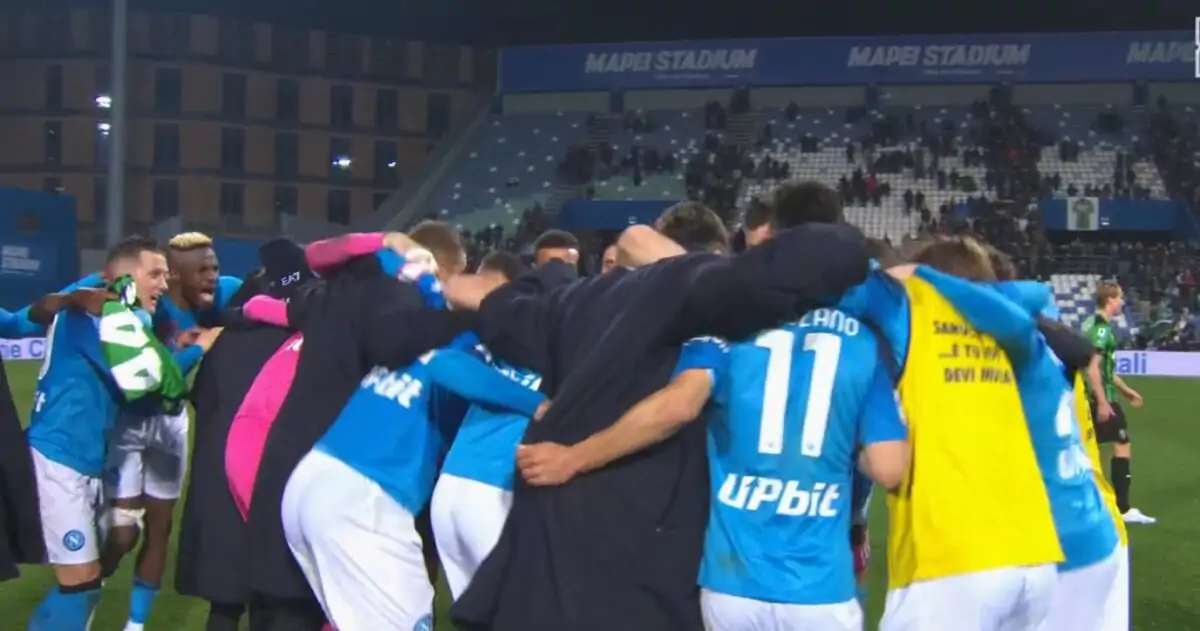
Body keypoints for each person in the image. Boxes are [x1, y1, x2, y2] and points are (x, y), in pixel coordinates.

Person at [446, 193, 871, 631]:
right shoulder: (697, 291)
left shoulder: (579, 298)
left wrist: (546, 275)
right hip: (640, 543)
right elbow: (835, 252)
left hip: (551, 536)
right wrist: (691, 265)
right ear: (714, 253)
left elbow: (490, 306)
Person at [242, 230, 473, 631]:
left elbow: (312, 260)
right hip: (345, 483)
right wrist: (468, 318)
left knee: (281, 611)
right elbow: (390, 342)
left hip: (289, 474)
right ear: (436, 268)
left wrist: (384, 239)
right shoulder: (400, 297)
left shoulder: (339, 290)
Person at [840, 237, 1063, 631]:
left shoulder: (913, 314)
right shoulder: (1001, 330)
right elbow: (1036, 292)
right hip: (1034, 554)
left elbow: (842, 291)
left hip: (953, 559)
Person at [25, 236, 220, 631]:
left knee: (86, 581)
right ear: (126, 276)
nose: (164, 283)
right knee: (80, 583)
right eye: (155, 274)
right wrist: (201, 348)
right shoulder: (96, 319)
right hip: (60, 458)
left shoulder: (113, 317)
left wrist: (173, 345)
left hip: (82, 459)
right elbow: (151, 382)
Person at [919, 265, 1123, 631]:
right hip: (1088, 524)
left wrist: (921, 279)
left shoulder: (1008, 357)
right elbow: (1040, 298)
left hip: (1050, 539)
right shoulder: (1051, 347)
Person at [102, 231, 243, 631]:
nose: (213, 277)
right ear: (174, 276)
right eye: (202, 270)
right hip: (130, 421)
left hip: (172, 422)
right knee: (123, 533)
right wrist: (198, 347)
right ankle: (92, 586)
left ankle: (135, 627)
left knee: (161, 527)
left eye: (214, 267)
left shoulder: (223, 294)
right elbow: (154, 378)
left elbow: (261, 290)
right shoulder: (145, 306)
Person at [174, 238, 316, 631]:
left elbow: (202, 398)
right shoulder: (305, 337)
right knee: (276, 605)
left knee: (224, 605)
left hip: (218, 480)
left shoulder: (227, 336)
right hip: (273, 484)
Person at [430, 251, 553, 601]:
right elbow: (443, 363)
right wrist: (538, 404)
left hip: (451, 491)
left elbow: (443, 363)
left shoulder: (503, 348)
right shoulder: (554, 348)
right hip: (495, 492)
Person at [1081, 282, 1154, 524]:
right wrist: (1103, 402)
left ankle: (1089, 503)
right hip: (1101, 397)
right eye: (1119, 297)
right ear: (1110, 300)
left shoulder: (1090, 324)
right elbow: (1093, 369)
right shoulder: (1101, 330)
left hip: (1095, 396)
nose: (1122, 302)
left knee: (1089, 447)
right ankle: (1122, 509)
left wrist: (1126, 390)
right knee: (1121, 444)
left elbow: (1104, 369)